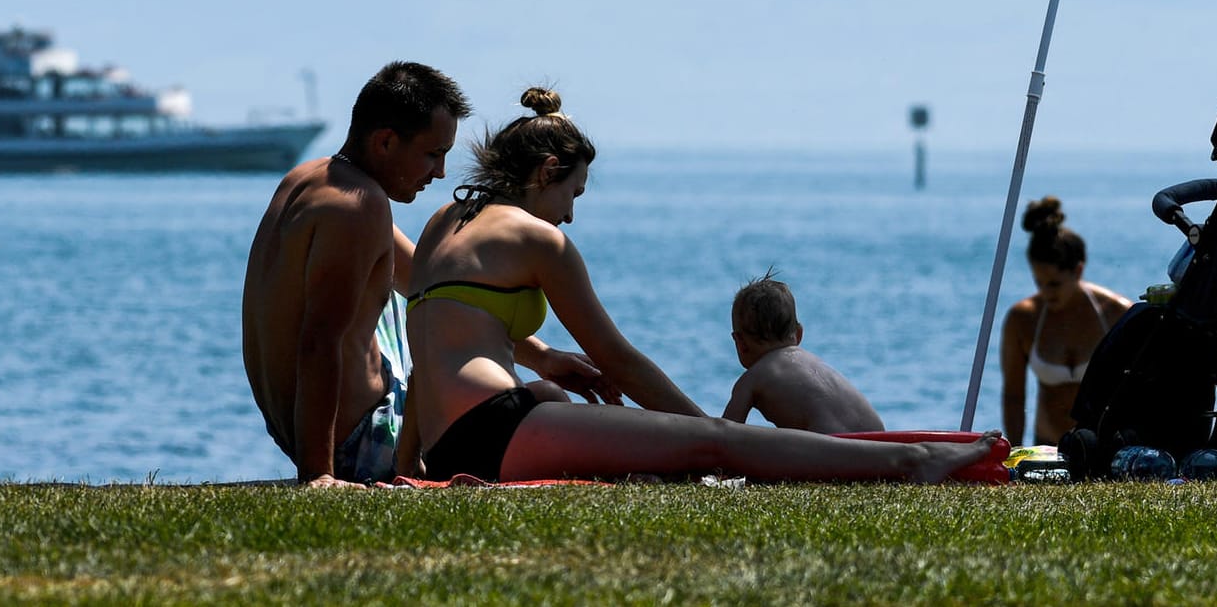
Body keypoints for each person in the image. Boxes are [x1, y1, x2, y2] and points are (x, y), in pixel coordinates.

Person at [405, 86, 1000, 484]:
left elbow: (439, 339)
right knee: (714, 445)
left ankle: (893, 458)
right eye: (572, 195)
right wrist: (699, 428)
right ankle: (909, 461)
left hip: (448, 436)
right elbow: (621, 362)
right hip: (491, 431)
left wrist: (541, 361)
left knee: (558, 401)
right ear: (546, 174)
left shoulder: (443, 222)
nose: (569, 216)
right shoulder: (538, 239)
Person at [241, 62, 605, 488]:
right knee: (543, 403)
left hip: (313, 432)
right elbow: (320, 343)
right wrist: (318, 473)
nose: (441, 173)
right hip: (364, 445)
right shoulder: (358, 207)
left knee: (426, 286)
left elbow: (428, 284)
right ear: (385, 142)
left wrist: (542, 357)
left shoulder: (310, 179)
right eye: (433, 154)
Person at [999, 196, 1133, 447]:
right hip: (1046, 445)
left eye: (1054, 284)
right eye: (1038, 283)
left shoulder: (1116, 312)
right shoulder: (1022, 319)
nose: (1046, 293)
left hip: (1102, 446)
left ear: (1078, 271)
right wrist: (1015, 453)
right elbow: (1013, 397)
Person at [721, 270, 885, 434]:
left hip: (830, 451)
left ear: (740, 343)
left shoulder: (752, 380)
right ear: (799, 334)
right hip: (881, 444)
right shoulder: (818, 366)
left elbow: (723, 436)